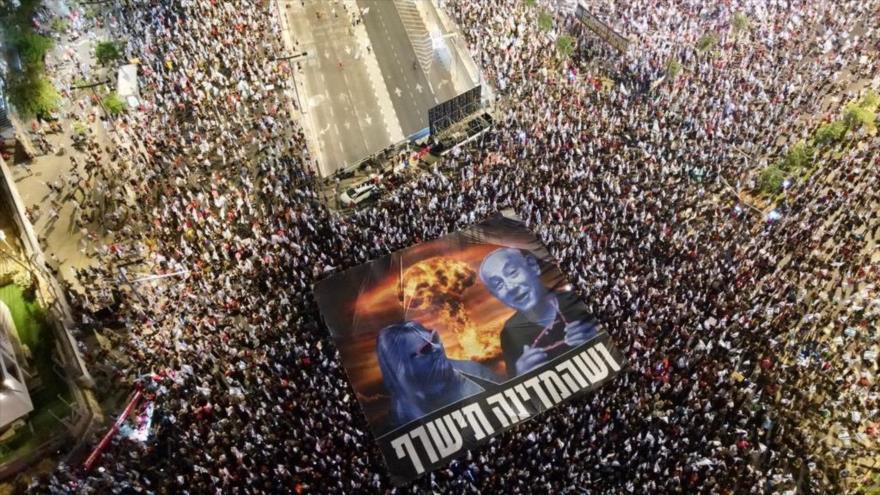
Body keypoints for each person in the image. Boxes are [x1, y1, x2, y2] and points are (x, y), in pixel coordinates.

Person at [479, 247, 598, 377]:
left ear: (533, 265)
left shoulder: (575, 299)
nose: (511, 287)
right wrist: (522, 376)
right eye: (499, 285)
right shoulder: (509, 334)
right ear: (495, 296)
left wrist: (596, 337)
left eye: (512, 272)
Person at [376, 321, 499, 430]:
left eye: (435, 338)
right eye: (426, 348)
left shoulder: (473, 373)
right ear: (402, 369)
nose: (438, 348)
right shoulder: (402, 420)